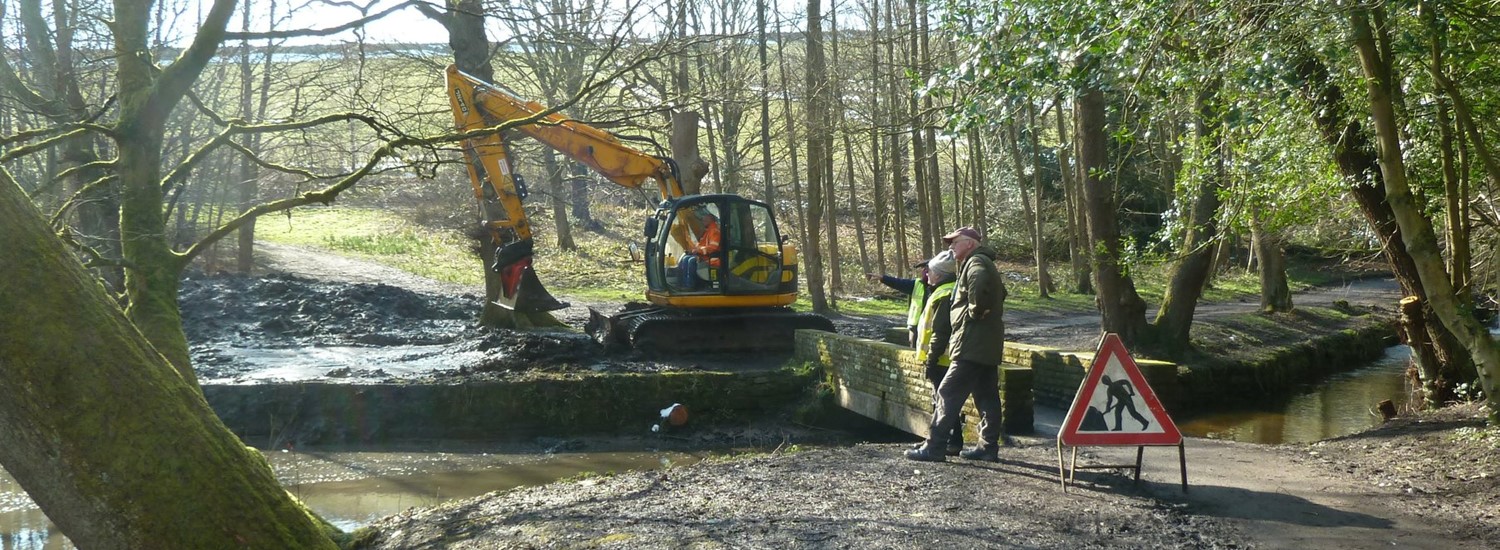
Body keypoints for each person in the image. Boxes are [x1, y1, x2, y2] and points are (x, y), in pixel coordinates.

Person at [906, 226, 1008, 463]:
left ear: (970, 244)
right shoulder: (978, 262)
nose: (950, 247)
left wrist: (976, 310)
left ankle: (935, 446)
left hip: (971, 344)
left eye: (955, 242)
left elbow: (983, 287)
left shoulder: (977, 264)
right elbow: (1000, 292)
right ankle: (987, 447)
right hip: (985, 344)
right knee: (986, 396)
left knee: (947, 392)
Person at [914, 250, 965, 455]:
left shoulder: (944, 294)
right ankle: (947, 441)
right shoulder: (947, 290)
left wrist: (931, 359)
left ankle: (946, 442)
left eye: (931, 271)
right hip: (947, 356)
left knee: (944, 401)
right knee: (944, 401)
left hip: (943, 358)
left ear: (940, 274)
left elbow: (940, 332)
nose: (927, 275)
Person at [865, 261, 934, 348]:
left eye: (927, 269)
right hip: (915, 326)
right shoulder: (917, 284)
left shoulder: (938, 287)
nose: (924, 271)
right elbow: (898, 283)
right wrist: (883, 278)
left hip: (931, 327)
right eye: (924, 269)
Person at [678, 208, 721, 289]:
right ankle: (684, 284)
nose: (703, 222)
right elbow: (701, 244)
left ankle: (690, 286)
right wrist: (693, 249)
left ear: (710, 221)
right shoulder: (708, 231)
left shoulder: (714, 231)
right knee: (686, 258)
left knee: (691, 261)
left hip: (712, 259)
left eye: (705, 220)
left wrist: (699, 250)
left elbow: (713, 247)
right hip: (705, 256)